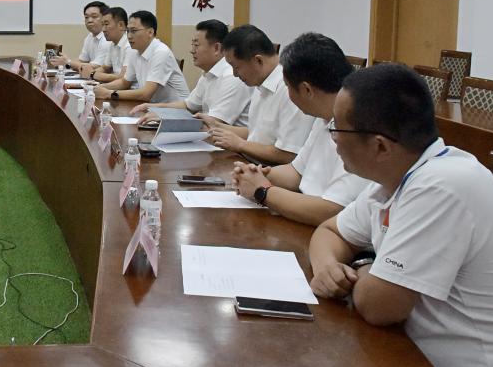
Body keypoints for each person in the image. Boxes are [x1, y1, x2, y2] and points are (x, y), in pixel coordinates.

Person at [308, 64, 493, 367]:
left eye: (338, 129)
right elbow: (328, 231)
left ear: (380, 146)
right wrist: (327, 267)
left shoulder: (443, 185)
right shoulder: (397, 174)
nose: (334, 140)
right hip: (408, 351)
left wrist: (362, 265)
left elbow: (379, 307)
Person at [230, 33, 371, 226]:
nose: (287, 94)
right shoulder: (323, 116)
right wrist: (255, 175)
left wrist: (262, 191)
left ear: (307, 90)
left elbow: (331, 211)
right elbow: (296, 173)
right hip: (303, 217)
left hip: (325, 227)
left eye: (288, 87)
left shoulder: (359, 127)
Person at [205, 24, 313, 165]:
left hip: (270, 171)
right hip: (249, 162)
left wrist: (240, 144)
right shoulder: (260, 83)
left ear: (258, 60)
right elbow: (256, 134)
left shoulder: (290, 89)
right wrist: (217, 126)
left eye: (236, 67)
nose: (235, 74)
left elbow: (289, 155)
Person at [130, 19, 249, 127]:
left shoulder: (231, 76)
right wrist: (152, 107)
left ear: (216, 48)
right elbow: (188, 106)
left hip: (228, 142)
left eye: (196, 45)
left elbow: (214, 123)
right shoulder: (208, 74)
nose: (192, 51)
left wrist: (164, 116)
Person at [94, 10, 189, 103]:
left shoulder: (161, 52)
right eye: (128, 31)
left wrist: (109, 93)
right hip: (153, 106)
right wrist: (97, 88)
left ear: (150, 32)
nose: (129, 36)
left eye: (134, 31)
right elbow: (125, 82)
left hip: (175, 109)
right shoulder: (134, 50)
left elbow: (146, 94)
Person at [49, 1, 109, 72]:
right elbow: (82, 61)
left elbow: (96, 66)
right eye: (86, 17)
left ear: (105, 18)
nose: (89, 20)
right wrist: (61, 61)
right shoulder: (89, 37)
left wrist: (68, 62)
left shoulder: (107, 39)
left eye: (94, 17)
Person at [79, 6, 130, 83]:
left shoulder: (129, 45)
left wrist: (92, 74)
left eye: (106, 24)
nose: (103, 29)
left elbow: (123, 77)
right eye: (102, 25)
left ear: (121, 25)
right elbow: (105, 68)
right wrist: (88, 73)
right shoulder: (112, 44)